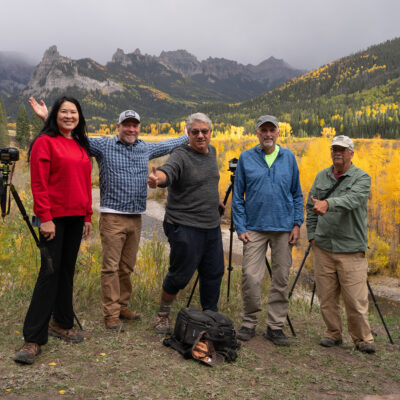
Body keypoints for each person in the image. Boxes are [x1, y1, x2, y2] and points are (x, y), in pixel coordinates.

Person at [29, 98, 188, 332]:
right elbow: (73, 135)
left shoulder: (145, 147)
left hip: (136, 216)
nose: (131, 129)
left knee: (126, 267)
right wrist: (47, 117)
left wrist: (187, 136)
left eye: (135, 125)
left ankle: (122, 306)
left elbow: (167, 144)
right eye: (127, 125)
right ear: (118, 127)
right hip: (112, 216)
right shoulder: (102, 146)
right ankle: (111, 314)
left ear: (139, 128)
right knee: (111, 267)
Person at [14, 97, 93, 365]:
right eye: (63, 112)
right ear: (55, 115)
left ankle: (61, 322)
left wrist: (87, 216)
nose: (69, 116)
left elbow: (84, 183)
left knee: (67, 270)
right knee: (49, 272)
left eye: (73, 112)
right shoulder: (44, 142)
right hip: (53, 219)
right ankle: (33, 338)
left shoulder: (80, 144)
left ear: (79, 117)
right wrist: (45, 218)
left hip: (75, 219)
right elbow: (39, 183)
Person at [147, 112, 225, 334]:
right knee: (180, 274)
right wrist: (157, 178)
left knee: (214, 272)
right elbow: (168, 172)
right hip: (184, 224)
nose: (200, 136)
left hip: (210, 225)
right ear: (187, 133)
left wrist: (215, 200)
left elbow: (206, 181)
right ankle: (163, 315)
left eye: (204, 131)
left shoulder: (213, 153)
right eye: (195, 132)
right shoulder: (180, 154)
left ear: (211, 132)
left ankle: (210, 317)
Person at [232, 115, 303, 346]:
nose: (268, 134)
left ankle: (275, 327)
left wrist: (296, 223)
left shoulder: (289, 157)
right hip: (254, 228)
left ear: (278, 133)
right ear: (257, 133)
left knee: (281, 278)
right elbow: (238, 196)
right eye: (264, 130)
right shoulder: (246, 158)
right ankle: (249, 322)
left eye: (272, 130)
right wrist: (240, 226)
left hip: (283, 228)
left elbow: (296, 193)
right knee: (251, 277)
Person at [306, 135, 375, 353]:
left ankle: (363, 339)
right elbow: (311, 207)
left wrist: (328, 203)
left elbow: (353, 200)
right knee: (327, 297)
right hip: (324, 247)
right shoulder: (321, 177)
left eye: (343, 150)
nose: (338, 153)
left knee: (355, 299)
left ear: (351, 153)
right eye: (335, 149)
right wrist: (311, 235)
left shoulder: (361, 178)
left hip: (351, 248)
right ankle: (333, 333)